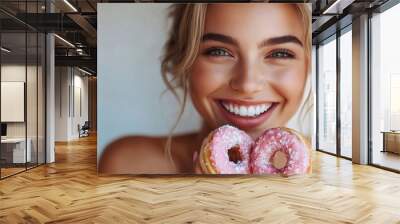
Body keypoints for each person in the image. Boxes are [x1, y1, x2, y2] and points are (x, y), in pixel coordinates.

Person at [99, 3, 312, 174]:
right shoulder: (129, 163)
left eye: (280, 54)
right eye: (219, 51)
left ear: (309, 65)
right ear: (184, 62)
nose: (247, 85)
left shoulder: (332, 178)